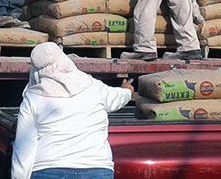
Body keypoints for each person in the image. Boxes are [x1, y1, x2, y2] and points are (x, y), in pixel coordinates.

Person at [12, 42, 133, 179]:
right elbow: (118, 97)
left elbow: (23, 149)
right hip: (97, 169)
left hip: (48, 170)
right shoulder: (94, 87)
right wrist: (127, 91)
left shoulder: (32, 98)